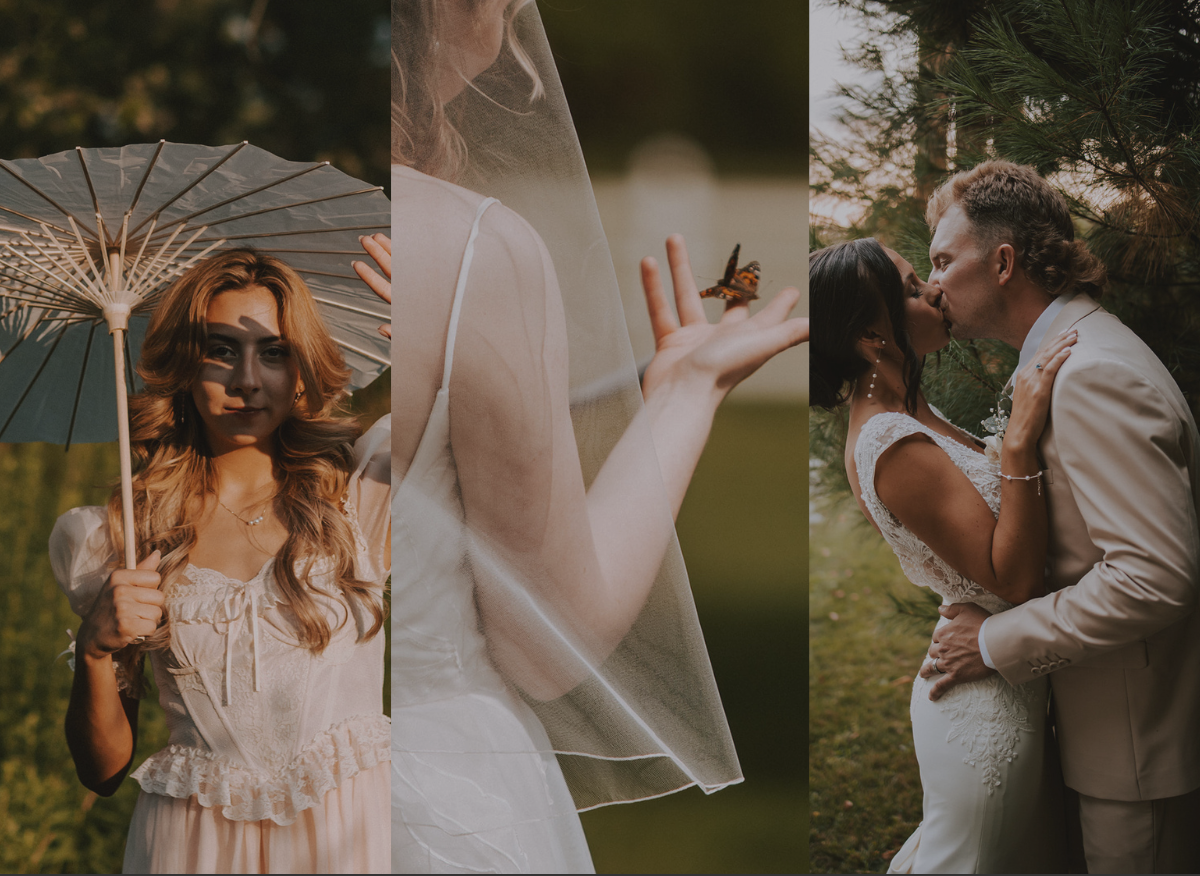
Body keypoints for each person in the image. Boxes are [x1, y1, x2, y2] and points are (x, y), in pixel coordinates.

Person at [390, 0, 807, 871]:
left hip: (223, 804)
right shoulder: (471, 249)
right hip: (431, 802)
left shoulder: (189, 226)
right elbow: (548, 639)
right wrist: (687, 392)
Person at [51, 248, 392, 873]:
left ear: (300, 367)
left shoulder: (362, 492)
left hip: (352, 841)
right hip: (194, 850)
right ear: (185, 363)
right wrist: (98, 651)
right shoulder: (123, 534)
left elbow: (493, 452)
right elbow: (101, 770)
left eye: (274, 350)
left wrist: (447, 346)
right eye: (222, 350)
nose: (247, 381)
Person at [918, 160, 1200, 874]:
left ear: (1004, 261)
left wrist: (994, 642)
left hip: (1135, 753)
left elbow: (1156, 578)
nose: (933, 285)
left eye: (944, 260)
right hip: (1095, 729)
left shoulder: (1092, 374)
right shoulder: (1063, 360)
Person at [809, 236, 1072, 872]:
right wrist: (1016, 448)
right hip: (982, 711)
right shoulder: (890, 442)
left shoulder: (910, 410)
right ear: (874, 339)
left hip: (1002, 668)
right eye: (909, 288)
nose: (934, 288)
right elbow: (1011, 580)